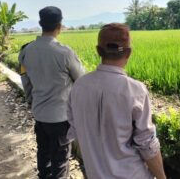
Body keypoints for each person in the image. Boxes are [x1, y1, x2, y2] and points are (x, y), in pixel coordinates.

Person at [67, 23, 166, 179]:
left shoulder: (79, 86)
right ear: (129, 53)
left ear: (98, 51)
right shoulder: (135, 91)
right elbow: (147, 144)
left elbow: (76, 131)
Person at [18, 6, 85, 179]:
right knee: (60, 161)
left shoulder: (26, 51)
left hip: (39, 114)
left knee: (44, 154)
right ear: (59, 26)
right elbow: (81, 80)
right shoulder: (65, 53)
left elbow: (25, 81)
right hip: (60, 117)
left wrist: (32, 102)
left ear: (41, 24)